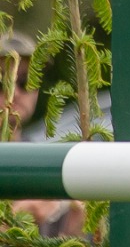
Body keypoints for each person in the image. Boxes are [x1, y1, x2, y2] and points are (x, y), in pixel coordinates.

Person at [0, 32, 86, 238]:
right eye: (2, 82)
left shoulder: (44, 161)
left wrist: (76, 228)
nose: (15, 92)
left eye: (26, 81)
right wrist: (15, 219)